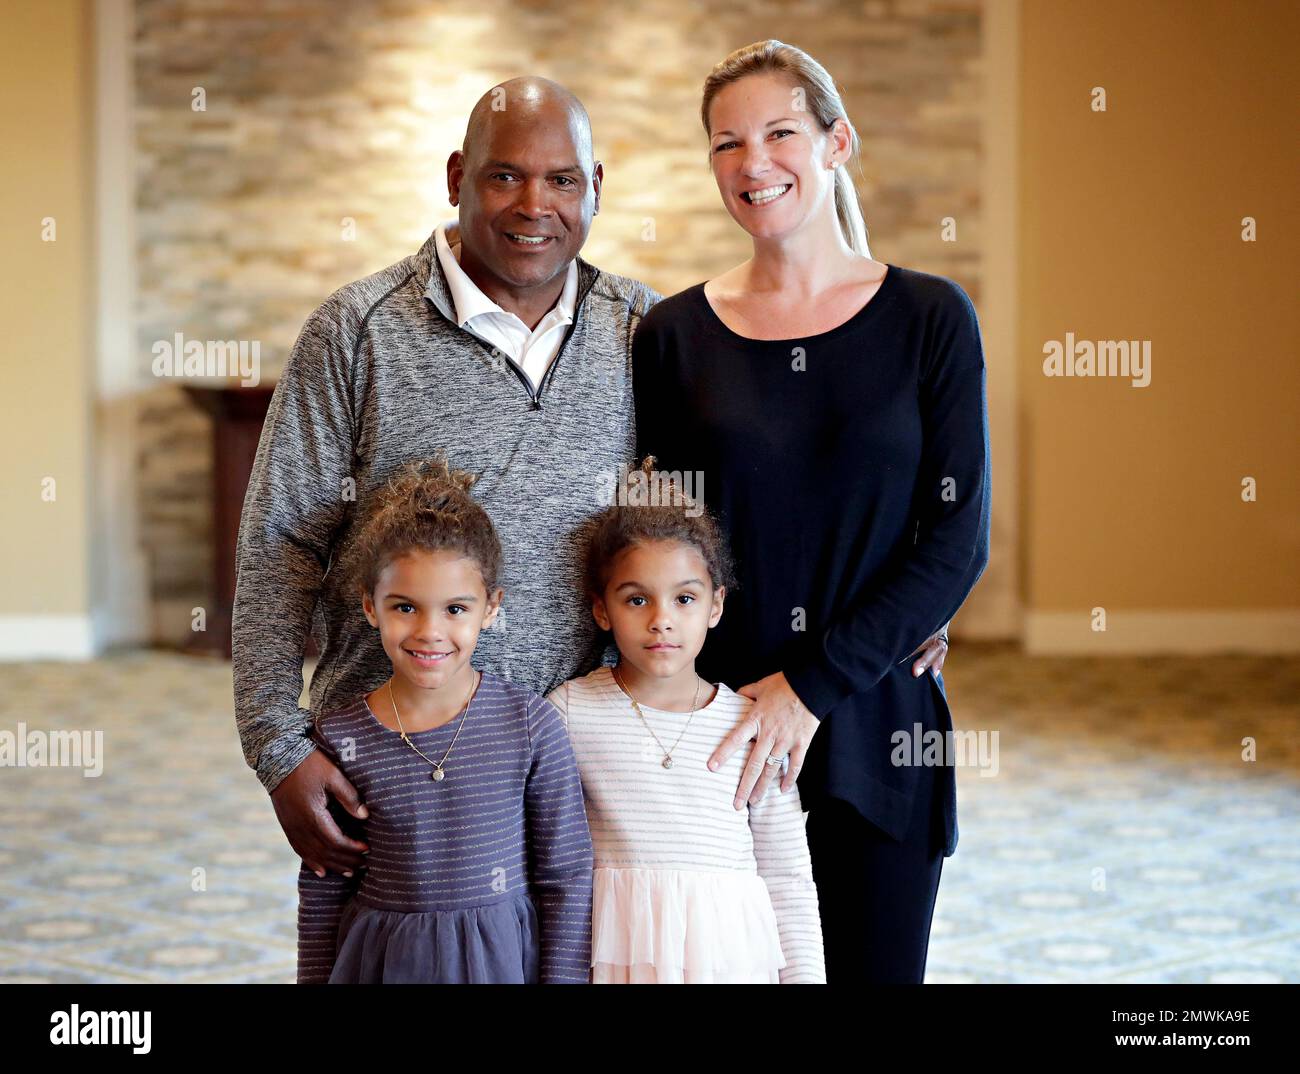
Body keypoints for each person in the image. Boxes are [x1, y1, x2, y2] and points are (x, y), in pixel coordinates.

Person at [231, 77, 659, 882]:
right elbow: (280, 542)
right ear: (457, 176)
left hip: (587, 769)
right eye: (505, 176)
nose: (535, 204)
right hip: (391, 770)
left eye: (562, 179)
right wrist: (276, 747)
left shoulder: (647, 332)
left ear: (596, 189)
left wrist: (898, 599)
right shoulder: (356, 331)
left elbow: (734, 509)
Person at [631, 40, 991, 983]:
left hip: (876, 720)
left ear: (837, 143)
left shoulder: (930, 318)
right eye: (726, 143)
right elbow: (656, 542)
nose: (753, 163)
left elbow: (958, 539)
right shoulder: (671, 337)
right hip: (720, 736)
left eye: (779, 132)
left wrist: (812, 686)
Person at [296, 457, 593, 983]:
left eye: (455, 609)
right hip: (382, 965)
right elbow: (324, 887)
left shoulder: (531, 726)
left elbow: (565, 876)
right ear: (370, 607)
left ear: (491, 608)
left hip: (501, 965)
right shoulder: (340, 737)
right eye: (405, 607)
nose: (430, 631)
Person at [546, 457, 825, 983]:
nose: (661, 619)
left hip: (729, 961)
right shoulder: (570, 711)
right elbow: (546, 858)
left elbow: (788, 876)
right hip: (616, 960)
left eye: (684, 598)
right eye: (636, 599)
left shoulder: (752, 725)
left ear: (715, 606)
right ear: (602, 609)